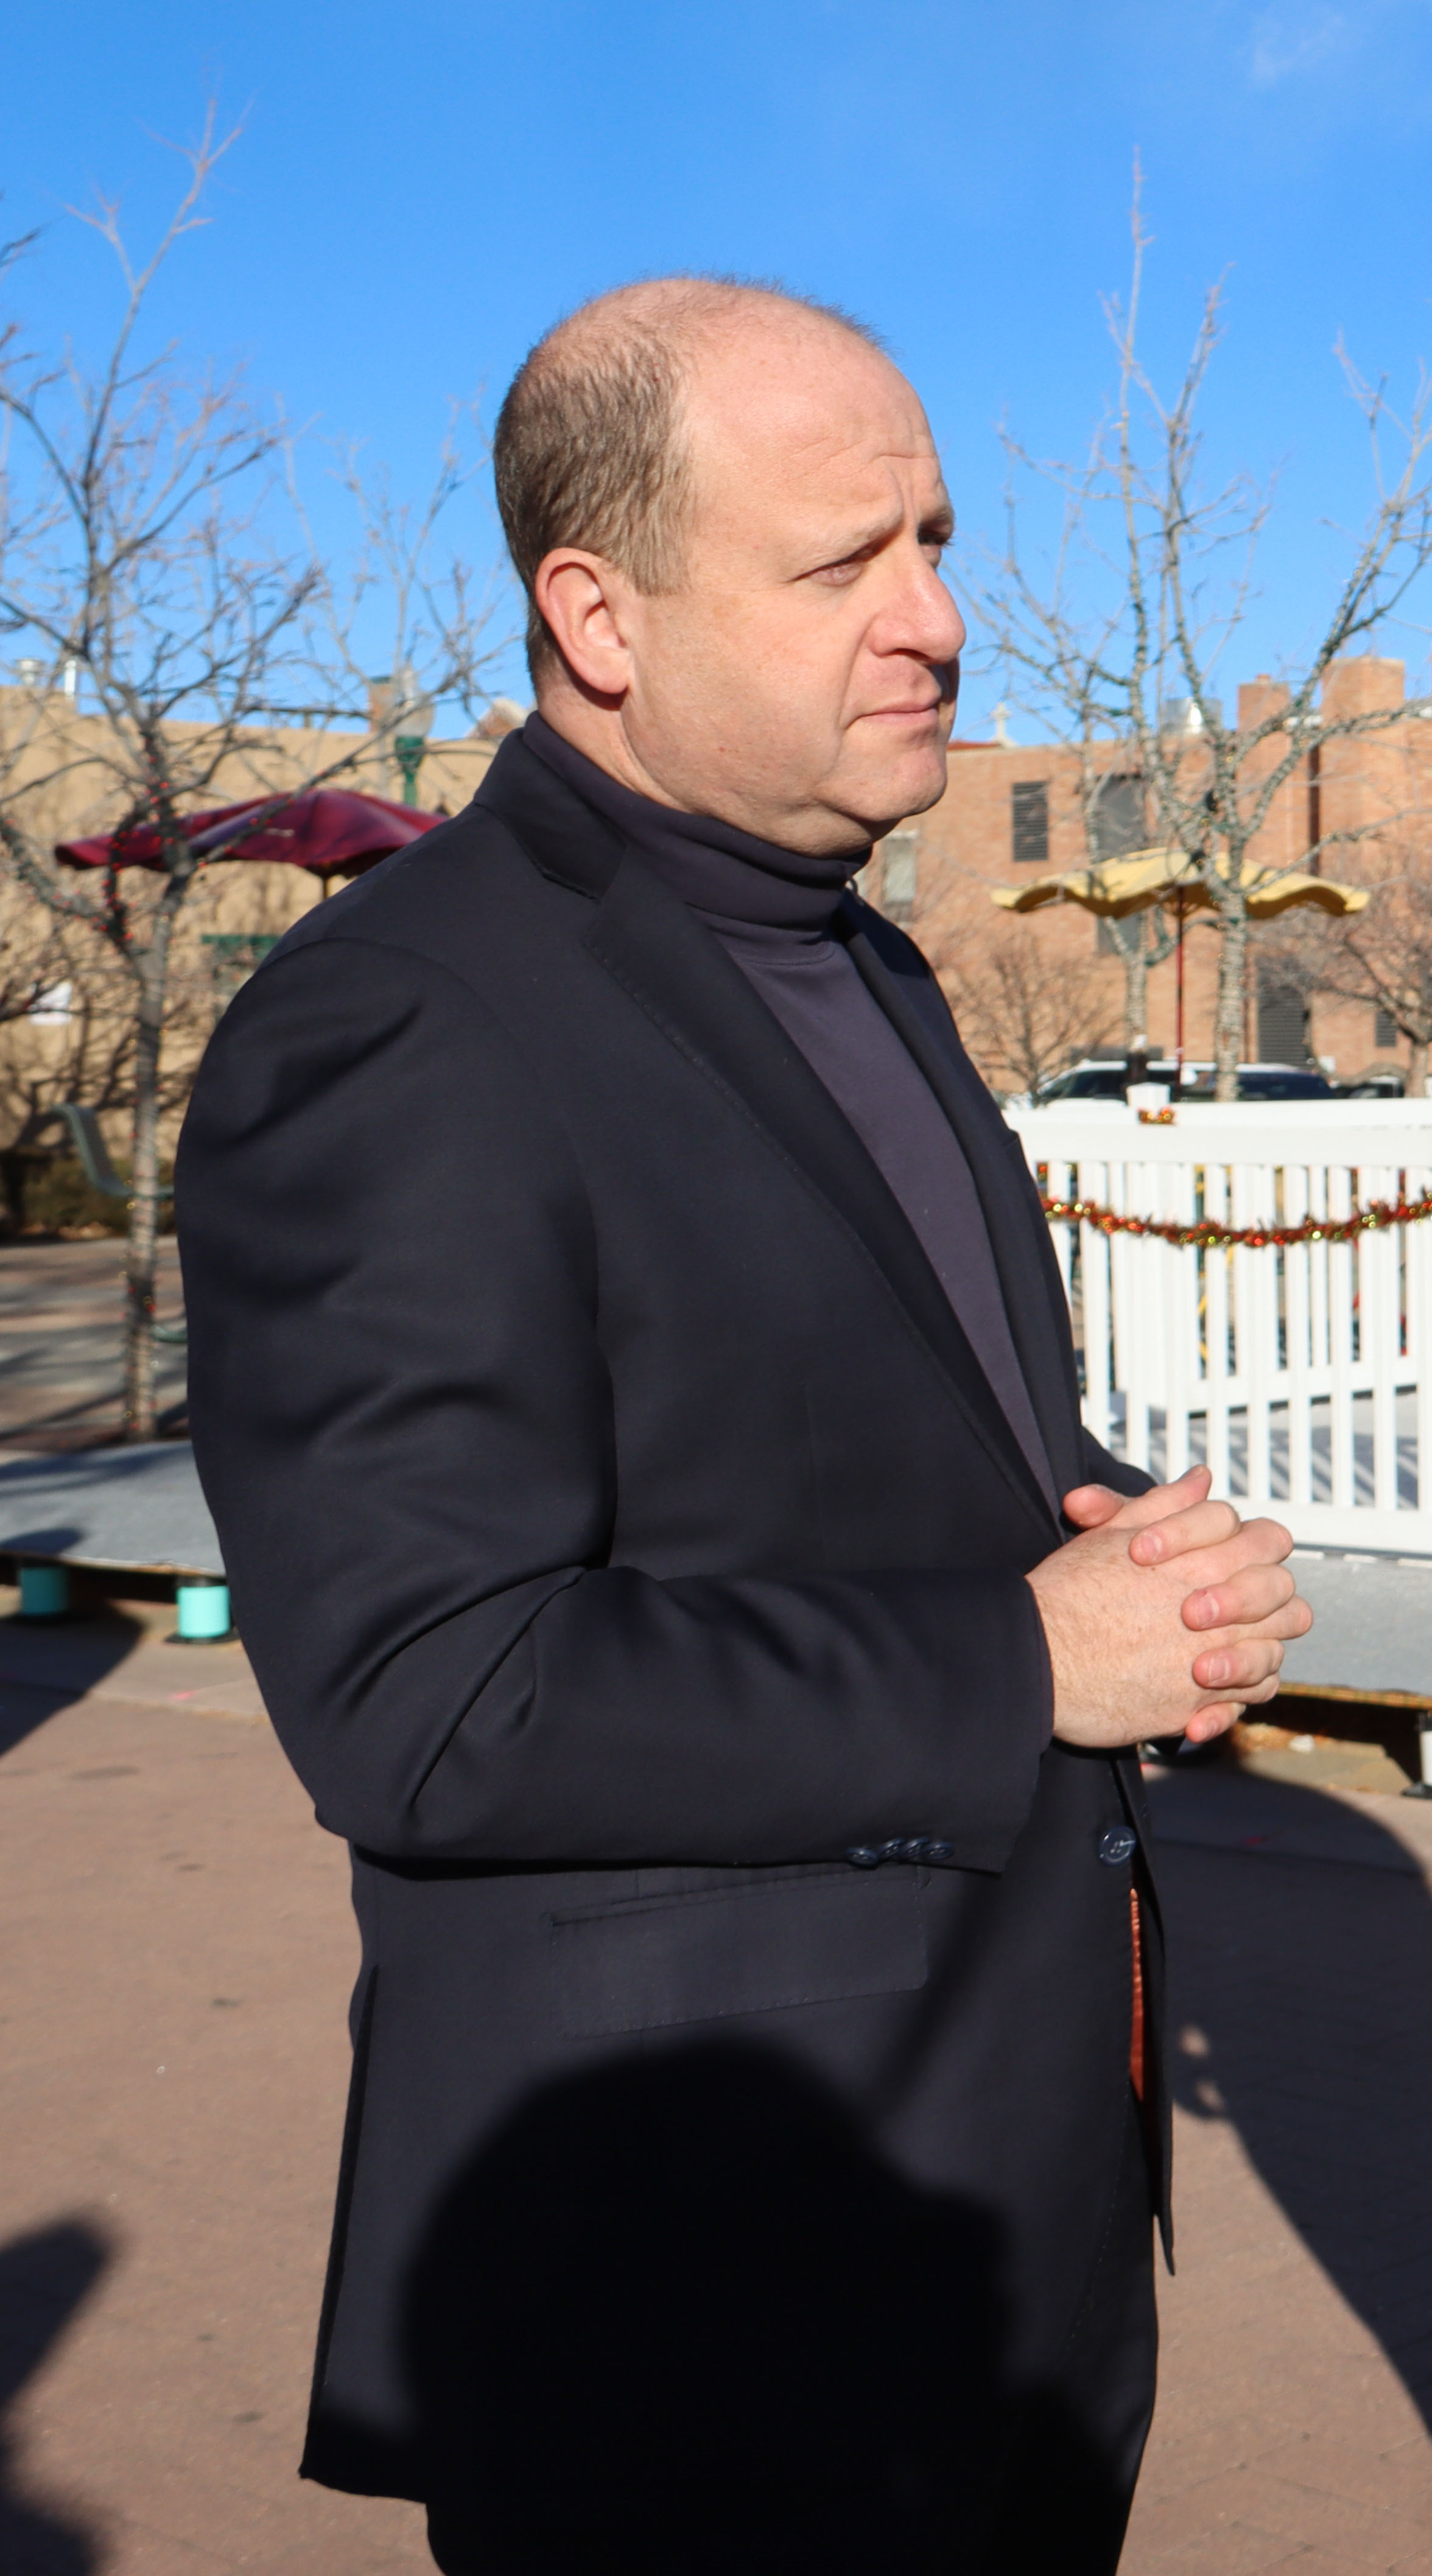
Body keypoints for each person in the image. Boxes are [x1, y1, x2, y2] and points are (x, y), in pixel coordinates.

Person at [179, 276, 1311, 2574]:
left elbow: (875, 1460)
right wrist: (1024, 1661)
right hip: (690, 2313)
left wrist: (1112, 1568)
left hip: (1002, 2244)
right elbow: (428, 1698)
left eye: (937, 540)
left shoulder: (866, 956)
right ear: (597, 615)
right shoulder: (403, 1024)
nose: (943, 619)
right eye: (844, 563)